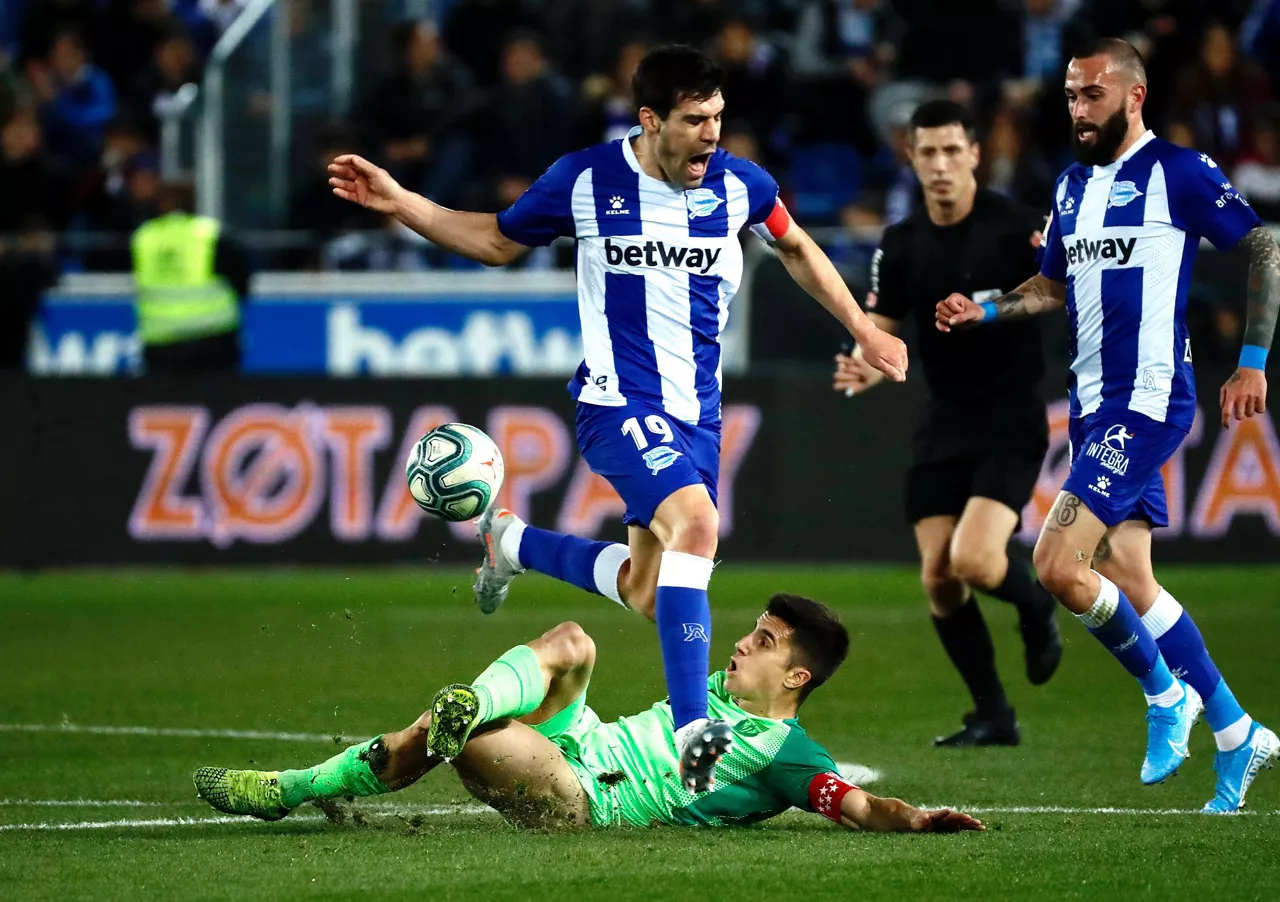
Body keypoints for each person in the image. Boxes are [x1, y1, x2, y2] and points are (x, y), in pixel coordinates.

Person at [328, 45, 907, 793]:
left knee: (646, 587)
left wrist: (862, 327)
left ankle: (512, 541)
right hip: (618, 402)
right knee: (697, 526)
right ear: (651, 120)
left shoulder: (741, 185)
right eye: (695, 120)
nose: (711, 135)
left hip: (697, 417)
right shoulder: (586, 180)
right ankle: (695, 727)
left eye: (719, 118)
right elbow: (498, 241)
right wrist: (402, 201)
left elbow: (795, 247)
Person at [935, 38, 1280, 813]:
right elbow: (1050, 288)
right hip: (1092, 406)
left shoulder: (1180, 174)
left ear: (1132, 97)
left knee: (1058, 563)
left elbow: (1266, 244)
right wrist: (985, 307)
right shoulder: (1069, 189)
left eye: (1091, 95)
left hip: (1148, 398)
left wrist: (1253, 359)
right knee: (1128, 573)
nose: (1077, 109)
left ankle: (1166, 697)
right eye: (1068, 94)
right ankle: (1235, 732)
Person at [193, 595, 983, 835]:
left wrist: (917, 821)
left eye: (765, 642)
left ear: (798, 675)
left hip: (587, 798)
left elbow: (852, 804)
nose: (742, 644)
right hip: (586, 740)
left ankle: (292, 787)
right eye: (749, 631)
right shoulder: (710, 686)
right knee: (571, 640)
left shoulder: (783, 749)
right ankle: (467, 704)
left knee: (462, 733)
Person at [834, 99, 1062, 748]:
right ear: (910, 158)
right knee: (938, 577)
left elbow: (1057, 292)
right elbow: (883, 333)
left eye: (950, 151)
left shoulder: (1020, 229)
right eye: (926, 152)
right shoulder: (901, 243)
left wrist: (992, 308)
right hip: (944, 421)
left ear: (974, 155)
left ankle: (1036, 603)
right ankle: (993, 713)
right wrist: (864, 367)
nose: (939, 165)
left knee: (974, 559)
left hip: (1011, 416)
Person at [131, 178, 250, 373]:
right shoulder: (211, 235)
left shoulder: (144, 238)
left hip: (160, 342)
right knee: (215, 401)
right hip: (212, 339)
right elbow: (242, 283)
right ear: (194, 202)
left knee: (167, 402)